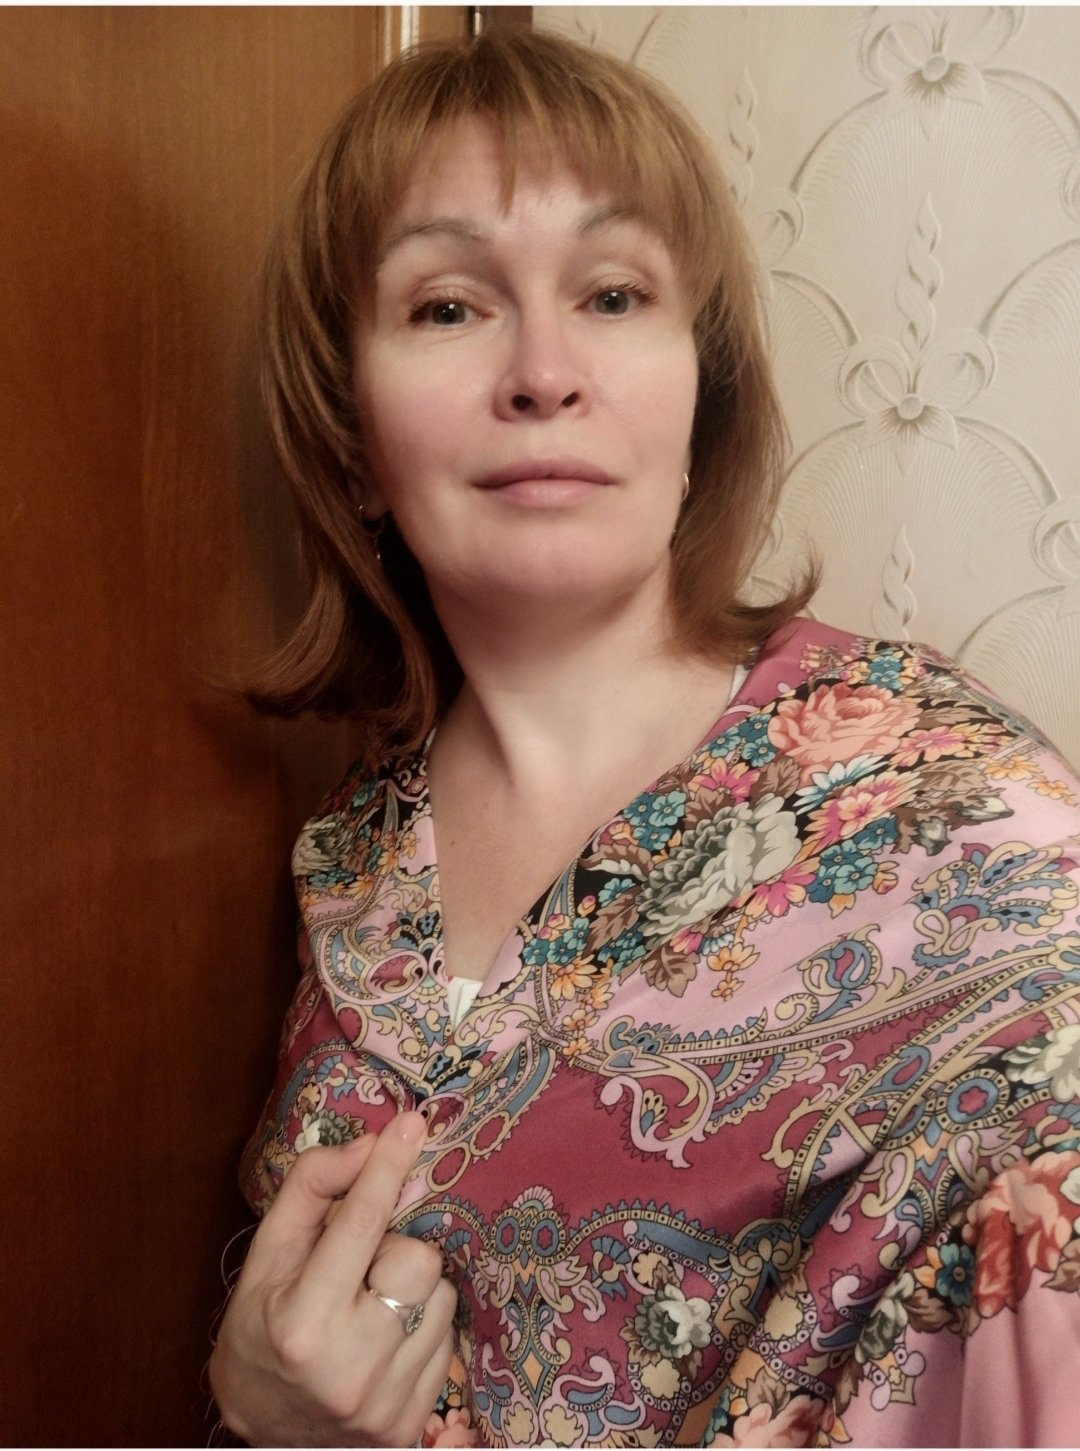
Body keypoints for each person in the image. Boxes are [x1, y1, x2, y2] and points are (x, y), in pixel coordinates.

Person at [208, 27, 1080, 1449]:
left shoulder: (963, 821)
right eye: (447, 306)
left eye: (612, 295)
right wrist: (251, 1400)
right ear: (356, 439)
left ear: (699, 395)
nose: (544, 371)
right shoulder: (345, 868)